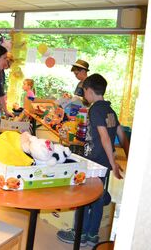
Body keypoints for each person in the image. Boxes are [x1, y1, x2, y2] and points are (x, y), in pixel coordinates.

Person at [57, 73, 129, 247]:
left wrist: (113, 162)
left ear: (89, 90)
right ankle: (92, 235)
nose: (84, 95)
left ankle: (78, 234)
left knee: (84, 195)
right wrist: (126, 157)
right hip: (104, 162)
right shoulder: (110, 109)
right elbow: (121, 134)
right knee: (98, 197)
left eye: (84, 92)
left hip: (93, 161)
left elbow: (104, 137)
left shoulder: (95, 109)